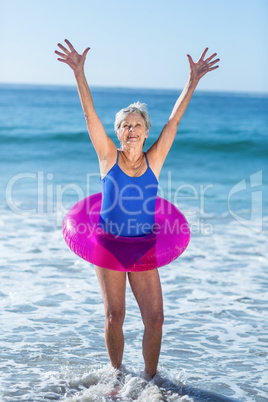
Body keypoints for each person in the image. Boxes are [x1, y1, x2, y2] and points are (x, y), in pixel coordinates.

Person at [55, 39, 219, 379]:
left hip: (144, 245)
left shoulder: (154, 160)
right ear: (118, 134)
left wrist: (192, 81)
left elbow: (174, 121)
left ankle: (148, 379)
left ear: (146, 133)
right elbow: (89, 116)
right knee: (115, 316)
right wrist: (78, 72)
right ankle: (116, 375)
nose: (132, 129)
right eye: (125, 125)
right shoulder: (108, 158)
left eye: (138, 125)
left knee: (155, 319)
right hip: (110, 244)